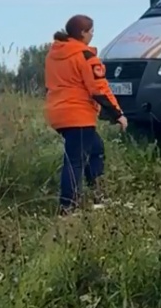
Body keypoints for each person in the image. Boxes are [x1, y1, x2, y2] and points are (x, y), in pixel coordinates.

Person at [44, 14, 127, 214]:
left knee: (95, 148)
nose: (92, 35)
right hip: (78, 113)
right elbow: (99, 89)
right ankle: (68, 207)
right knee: (75, 160)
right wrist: (118, 114)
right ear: (82, 33)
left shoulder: (54, 54)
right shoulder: (85, 56)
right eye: (90, 31)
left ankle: (97, 195)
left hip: (58, 113)